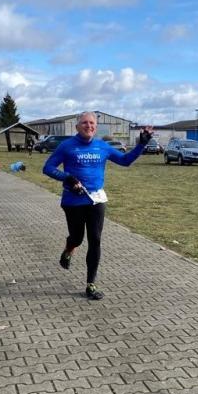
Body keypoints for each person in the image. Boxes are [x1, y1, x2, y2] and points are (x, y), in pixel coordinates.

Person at [43, 112, 153, 300]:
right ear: (77, 126)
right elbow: (48, 168)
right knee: (77, 238)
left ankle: (90, 284)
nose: (88, 126)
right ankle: (69, 249)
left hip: (96, 200)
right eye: (84, 123)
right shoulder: (67, 146)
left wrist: (141, 144)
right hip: (73, 201)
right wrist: (67, 178)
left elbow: (125, 161)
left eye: (92, 123)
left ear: (96, 126)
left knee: (95, 240)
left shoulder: (102, 146)